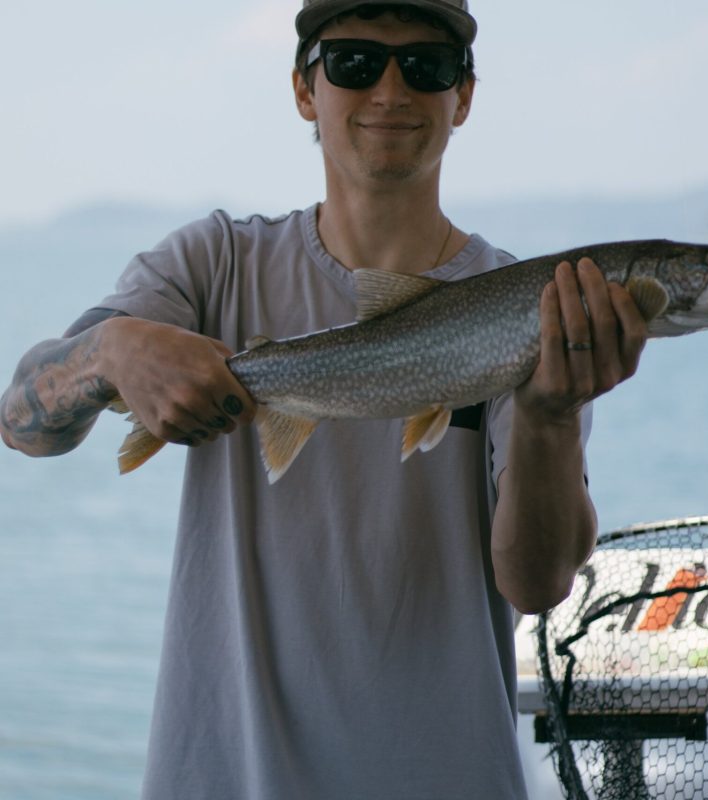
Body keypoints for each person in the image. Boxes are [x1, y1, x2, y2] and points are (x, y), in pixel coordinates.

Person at [0, 1, 647, 797]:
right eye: (352, 62)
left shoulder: (532, 307)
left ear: (464, 96)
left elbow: (537, 583)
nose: (389, 91)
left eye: (426, 66)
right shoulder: (213, 265)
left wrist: (549, 418)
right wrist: (111, 348)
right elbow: (22, 425)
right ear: (306, 90)